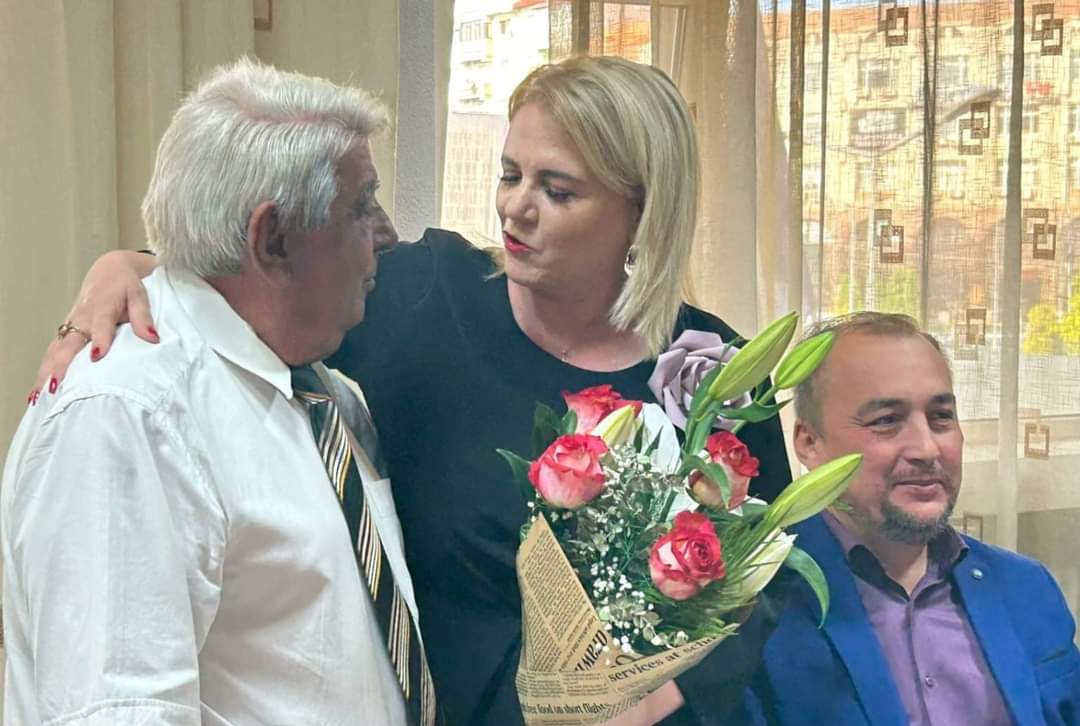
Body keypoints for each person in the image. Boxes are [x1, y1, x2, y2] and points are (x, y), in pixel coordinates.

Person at [31, 56, 792, 725]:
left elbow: (766, 580)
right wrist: (125, 267)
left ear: (641, 212)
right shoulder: (418, 293)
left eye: (556, 190)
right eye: (510, 174)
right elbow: (254, 274)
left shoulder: (711, 374)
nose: (515, 207)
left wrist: (656, 702)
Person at [2, 59, 438, 724]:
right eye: (361, 207)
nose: (386, 234)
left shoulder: (316, 386)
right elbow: (123, 710)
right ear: (273, 241)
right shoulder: (128, 413)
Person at [725, 312, 1080, 725]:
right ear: (809, 443)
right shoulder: (752, 606)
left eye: (941, 416)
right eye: (887, 421)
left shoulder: (1026, 588)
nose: (926, 449)